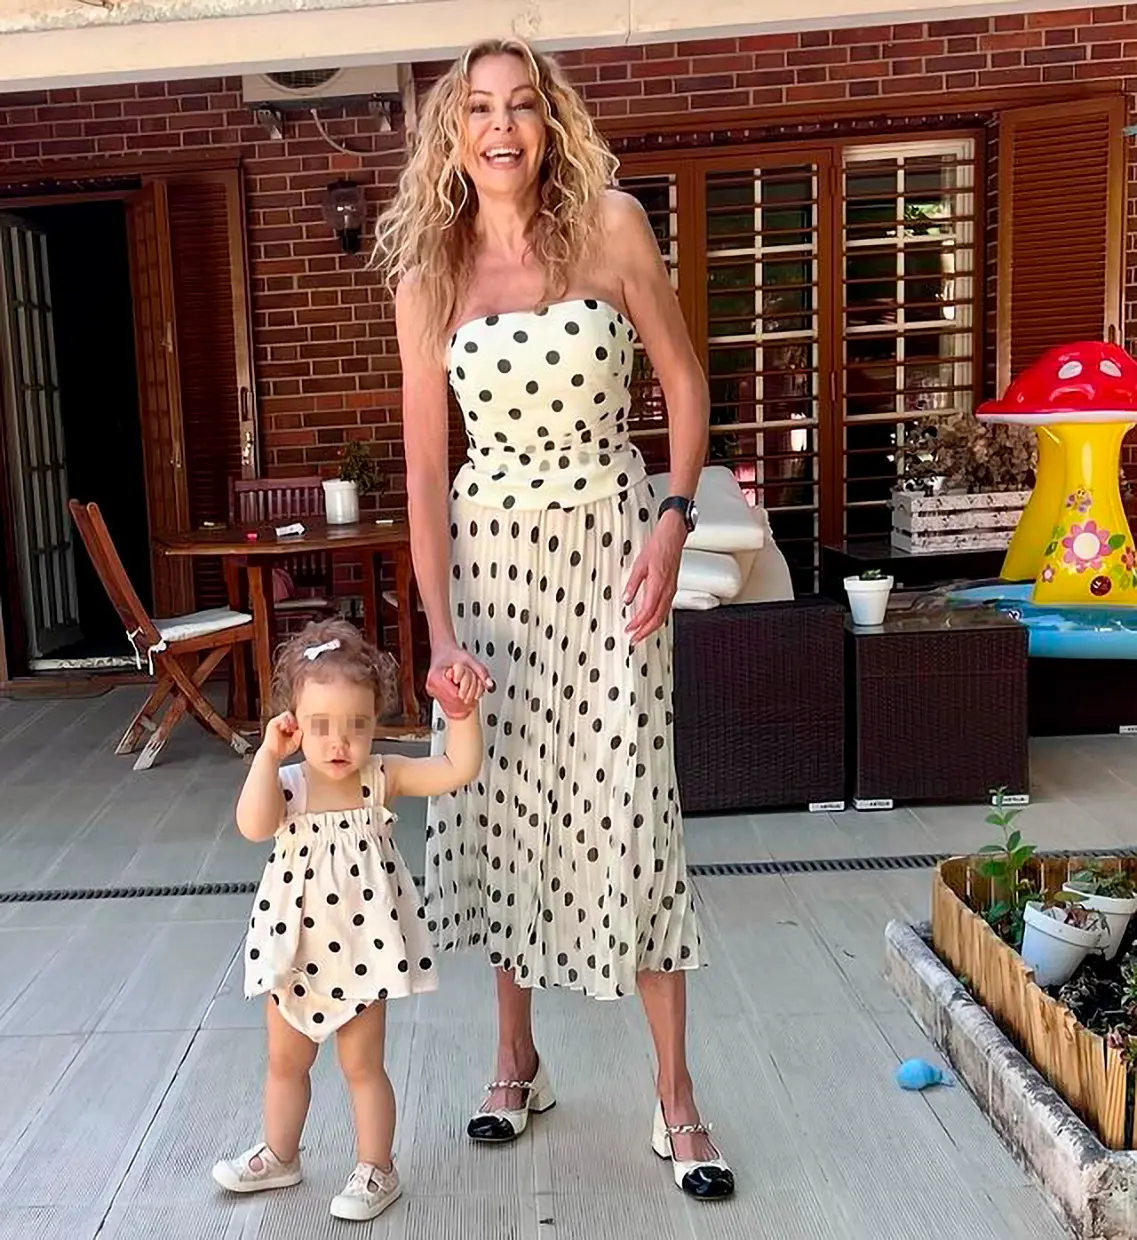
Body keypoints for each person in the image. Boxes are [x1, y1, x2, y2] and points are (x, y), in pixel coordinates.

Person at [375, 38, 734, 1200]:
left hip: (612, 558)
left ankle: (675, 1098)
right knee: (506, 808)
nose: (502, 127)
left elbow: (683, 381)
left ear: (550, 120)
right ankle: (514, 1060)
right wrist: (437, 632)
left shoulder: (613, 228)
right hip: (491, 580)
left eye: (522, 105)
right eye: (479, 108)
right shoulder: (427, 275)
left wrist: (674, 520)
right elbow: (428, 478)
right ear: (452, 134)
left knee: (634, 810)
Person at [211, 618, 483, 1221]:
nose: (340, 743)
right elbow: (253, 826)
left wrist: (462, 715)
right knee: (286, 1062)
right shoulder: (287, 784)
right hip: (294, 952)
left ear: (375, 723)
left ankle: (375, 1169)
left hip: (362, 953)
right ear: (293, 724)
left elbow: (456, 771)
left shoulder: (380, 777)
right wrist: (265, 756)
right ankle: (281, 1154)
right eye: (321, 727)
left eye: (357, 726)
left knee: (362, 1067)